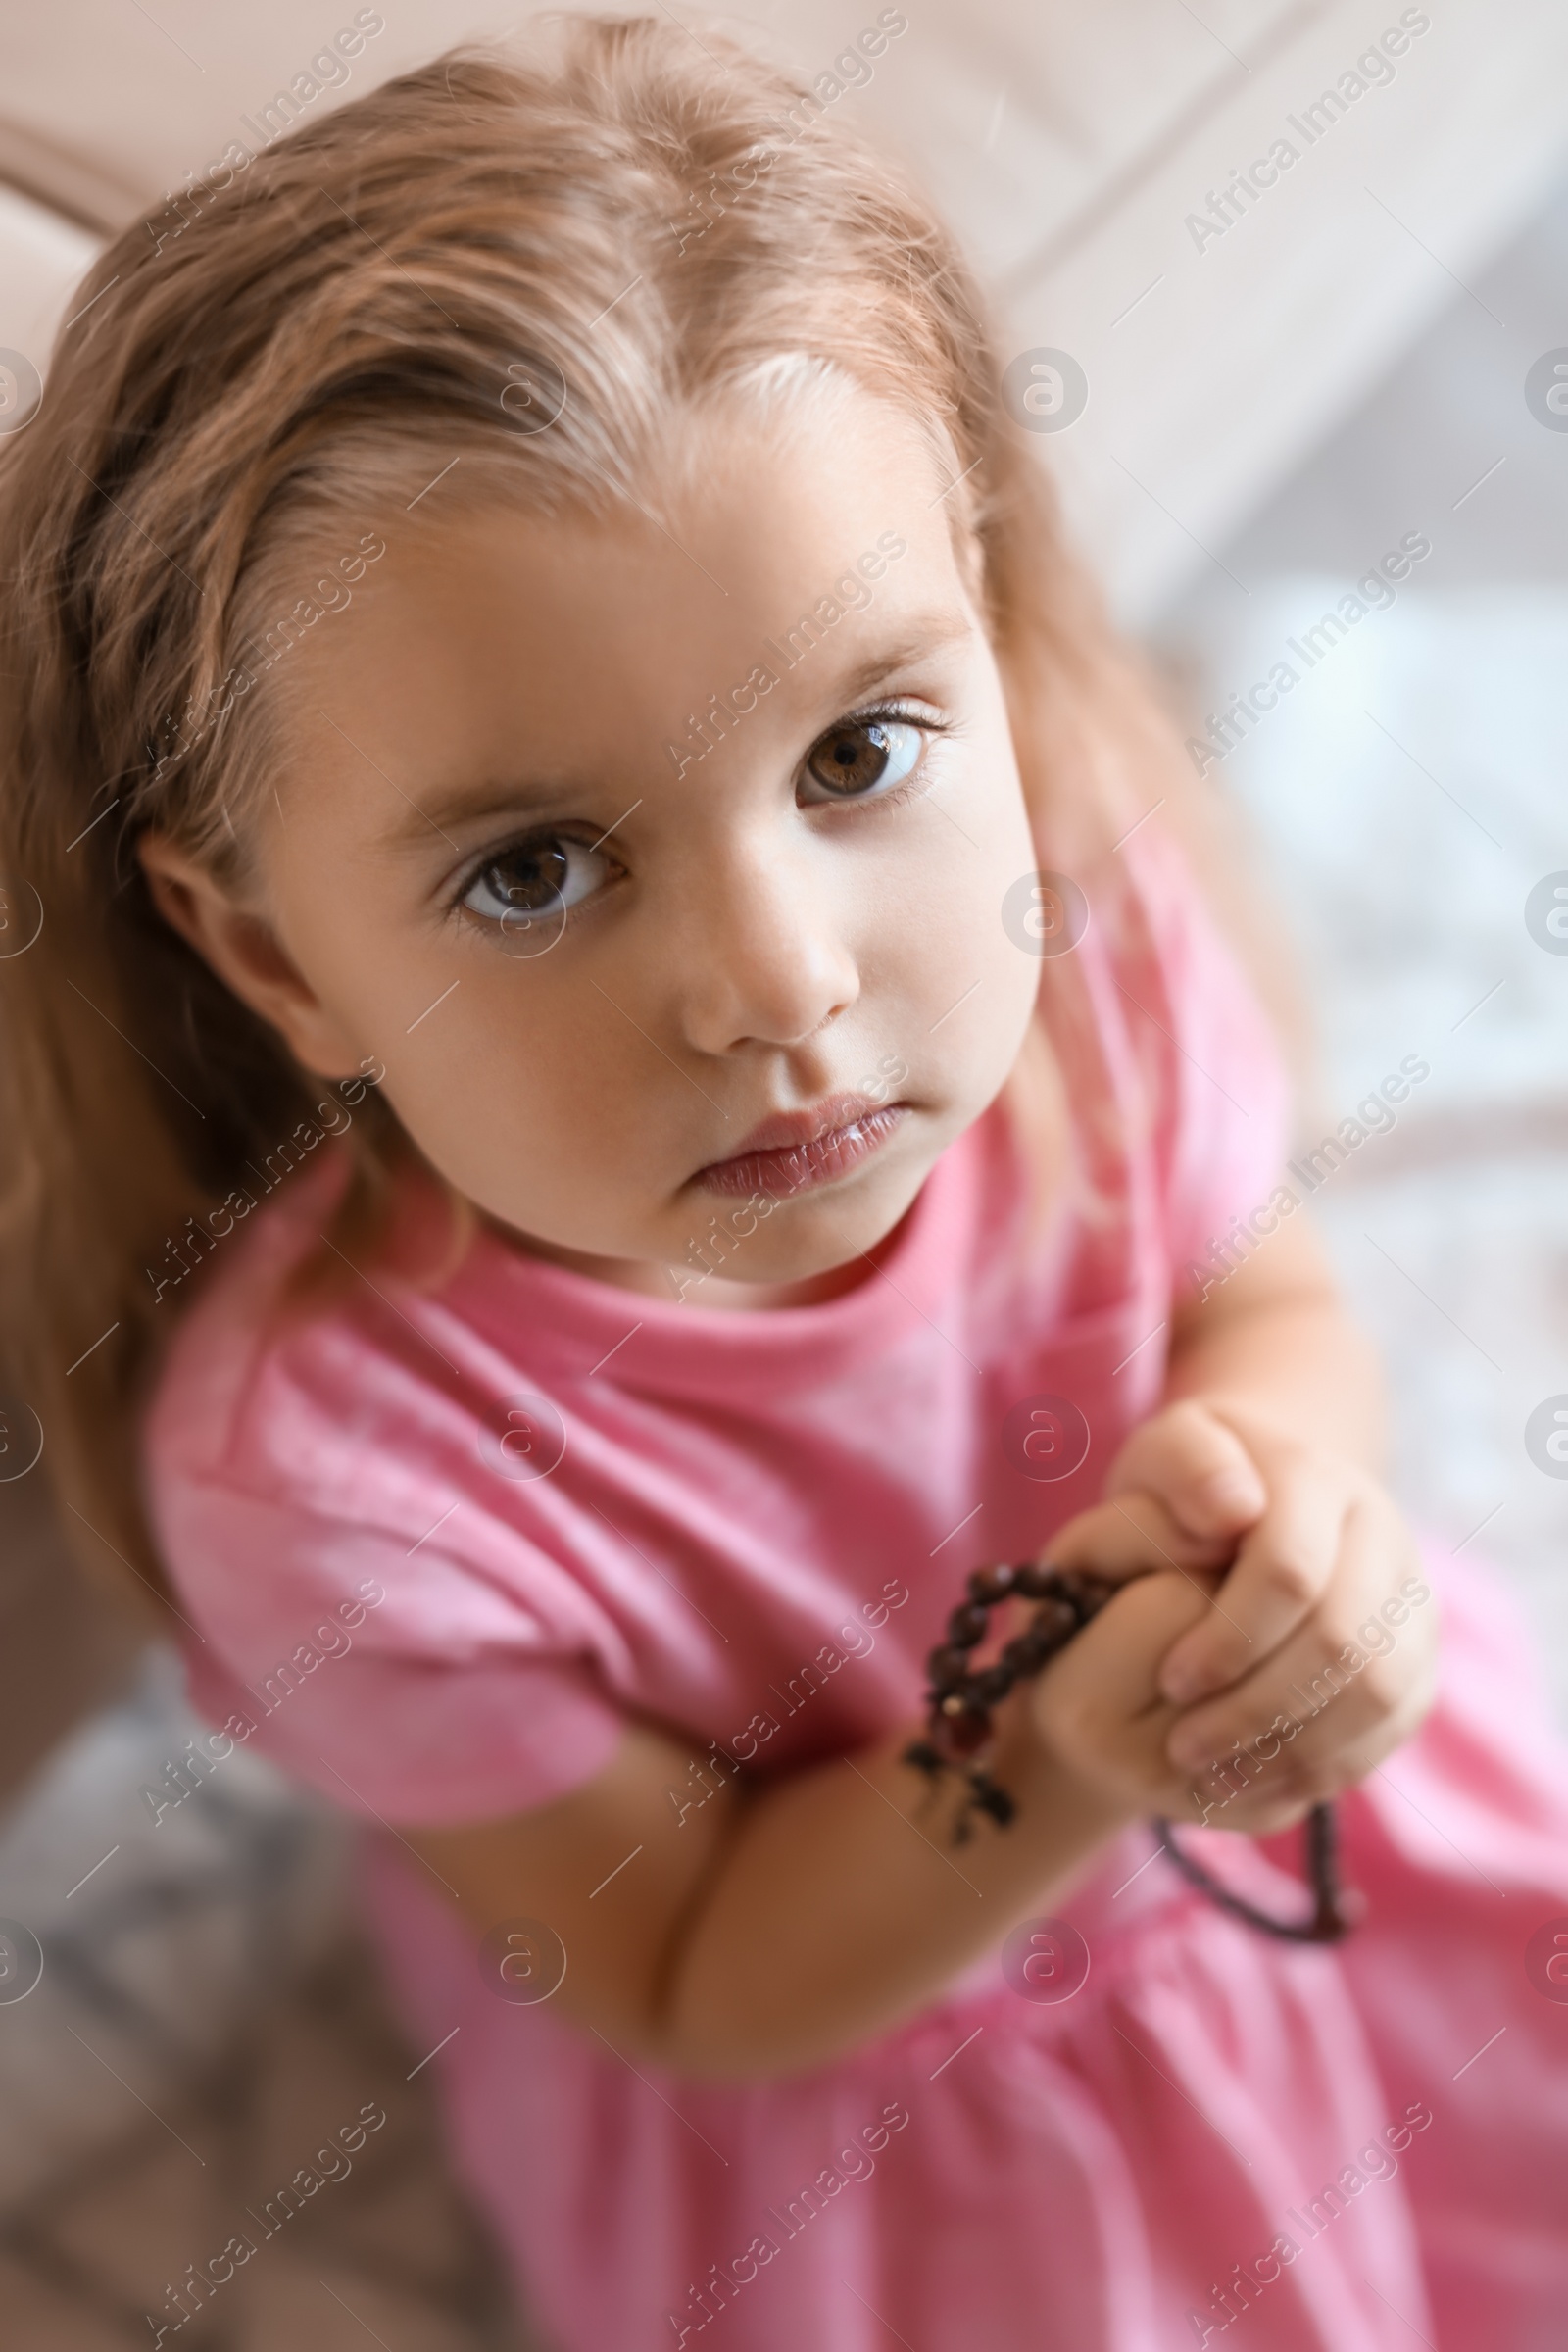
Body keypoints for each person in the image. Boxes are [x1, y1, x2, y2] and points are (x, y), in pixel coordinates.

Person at [2, 22, 1565, 2349]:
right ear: (264, 953)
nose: (777, 982)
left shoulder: (1076, 938)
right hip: (885, 2087)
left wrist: (1283, 1504)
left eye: (858, 752)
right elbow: (681, 1959)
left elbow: (1262, 1301)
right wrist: (1051, 1757)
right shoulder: (325, 1478)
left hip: (1326, 1837)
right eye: (534, 872)